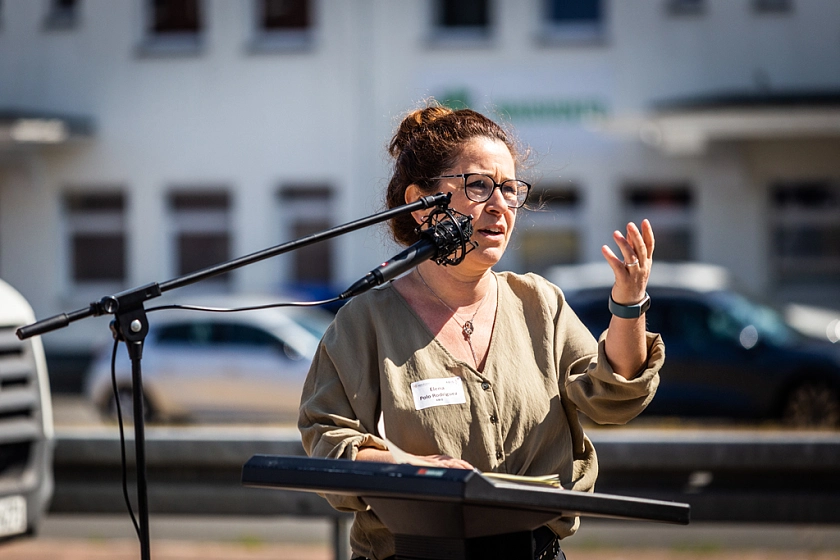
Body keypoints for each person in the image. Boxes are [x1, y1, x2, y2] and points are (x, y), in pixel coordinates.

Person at [298, 101, 664, 560]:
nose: (500, 206)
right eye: (478, 186)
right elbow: (327, 442)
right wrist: (412, 470)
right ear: (421, 205)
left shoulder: (540, 304)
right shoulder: (365, 321)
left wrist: (628, 305)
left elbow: (613, 399)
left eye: (509, 190)